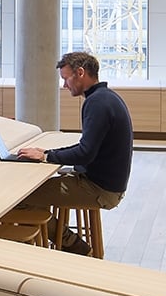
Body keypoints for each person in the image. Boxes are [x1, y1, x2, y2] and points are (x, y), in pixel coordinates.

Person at [15, 51, 133, 255]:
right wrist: (47, 153)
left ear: (80, 73)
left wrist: (45, 156)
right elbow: (86, 148)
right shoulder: (106, 97)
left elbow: (85, 153)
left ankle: (72, 246)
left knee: (21, 198)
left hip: (100, 190)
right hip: (105, 184)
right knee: (36, 191)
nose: (64, 86)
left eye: (66, 79)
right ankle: (60, 243)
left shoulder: (97, 103)